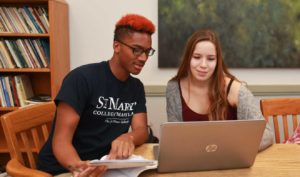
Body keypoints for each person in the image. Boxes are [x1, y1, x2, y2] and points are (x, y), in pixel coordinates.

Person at [37, 14, 156, 177]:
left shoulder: (135, 87)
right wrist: (78, 167)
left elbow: (141, 129)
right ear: (116, 46)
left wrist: (129, 137)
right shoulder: (81, 79)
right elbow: (60, 142)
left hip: (103, 166)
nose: (143, 58)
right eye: (136, 50)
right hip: (64, 168)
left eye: (147, 51)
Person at [166, 30, 274, 151]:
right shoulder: (174, 88)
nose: (203, 65)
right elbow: (174, 138)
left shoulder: (234, 89)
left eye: (211, 59)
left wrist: (232, 149)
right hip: (192, 162)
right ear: (187, 58)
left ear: (218, 62)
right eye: (197, 57)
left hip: (231, 162)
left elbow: (267, 134)